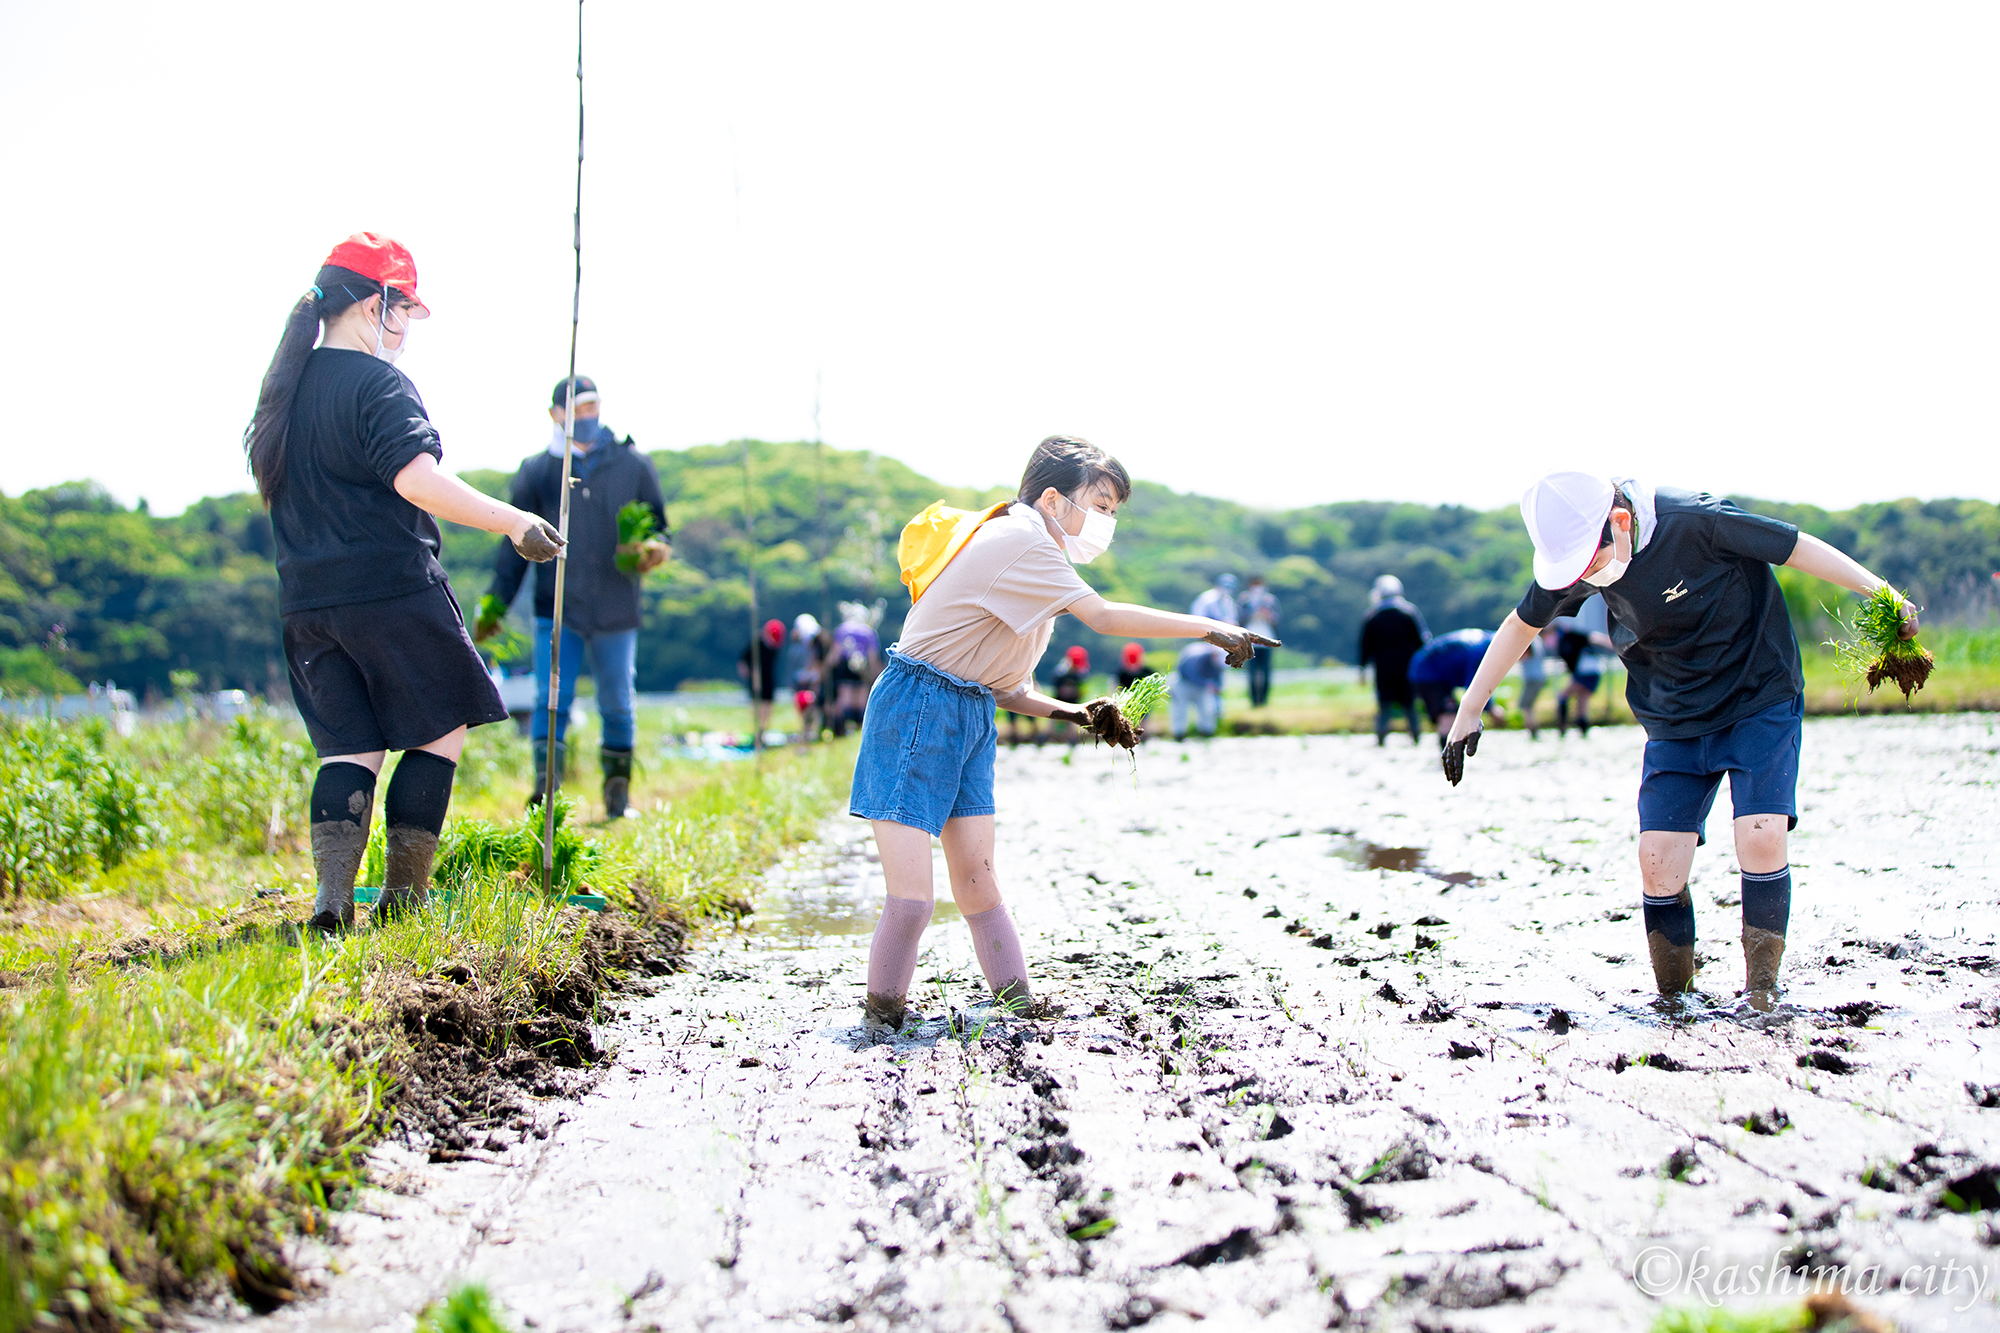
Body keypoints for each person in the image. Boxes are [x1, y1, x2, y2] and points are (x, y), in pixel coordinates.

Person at [1438, 472, 1919, 1009]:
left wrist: (1883, 592)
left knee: (1760, 834)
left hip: (1757, 695)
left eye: (1590, 566)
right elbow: (1519, 626)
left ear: (1620, 524)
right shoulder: (1581, 560)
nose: (1586, 579)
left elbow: (1796, 548)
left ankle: (1762, 992)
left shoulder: (1699, 521)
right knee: (1658, 859)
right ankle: (1675, 1000)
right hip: (1672, 715)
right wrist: (1468, 712)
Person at [853, 435, 1276, 1031]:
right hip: (917, 706)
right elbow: (1103, 618)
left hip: (969, 713)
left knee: (978, 879)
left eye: (1113, 512)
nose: (1106, 521)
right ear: (1053, 500)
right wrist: (1209, 627)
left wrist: (1078, 715)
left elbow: (1002, 687)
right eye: (1099, 505)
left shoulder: (1039, 562)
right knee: (914, 896)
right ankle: (882, 1017)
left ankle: (1017, 1001)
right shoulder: (1022, 538)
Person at [241, 233, 565, 933]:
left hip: (306, 604)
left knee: (349, 748)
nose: (403, 336)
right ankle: (404, 902)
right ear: (372, 303)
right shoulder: (377, 384)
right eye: (401, 313)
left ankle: (331, 907)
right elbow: (415, 480)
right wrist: (513, 521)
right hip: (390, 587)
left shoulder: (284, 395)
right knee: (440, 727)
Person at [481, 375, 670, 819]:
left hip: (617, 609)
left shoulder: (633, 465)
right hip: (557, 607)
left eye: (592, 407)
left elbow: (661, 526)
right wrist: (496, 605)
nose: (587, 417)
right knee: (553, 701)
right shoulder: (538, 472)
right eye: (577, 410)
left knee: (618, 702)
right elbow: (513, 551)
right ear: (556, 415)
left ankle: (617, 799)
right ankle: (547, 798)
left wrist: (653, 549)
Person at [1358, 575, 1429, 746]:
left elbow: (1365, 647)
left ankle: (1381, 740)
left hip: (1384, 670)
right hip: (1408, 668)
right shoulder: (1409, 612)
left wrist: (1362, 670)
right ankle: (1416, 738)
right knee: (1410, 705)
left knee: (1384, 706)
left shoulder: (1372, 616)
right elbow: (1423, 642)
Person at [1407, 628, 1507, 744]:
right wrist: (1490, 708)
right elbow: (1475, 684)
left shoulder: (1488, 641)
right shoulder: (1483, 651)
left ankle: (1450, 755)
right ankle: (1448, 758)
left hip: (1438, 674)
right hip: (1427, 673)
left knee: (1450, 713)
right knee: (1448, 714)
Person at [1553, 593, 1615, 736]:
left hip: (1587, 671)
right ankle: (1583, 731)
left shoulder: (1571, 636)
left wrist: (1614, 645)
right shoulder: (1561, 641)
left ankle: (1562, 728)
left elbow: (1594, 638)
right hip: (1588, 671)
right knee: (1582, 704)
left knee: (1563, 696)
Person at [828, 601, 883, 737]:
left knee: (845, 696)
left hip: (845, 665)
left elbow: (835, 653)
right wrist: (877, 673)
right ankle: (859, 729)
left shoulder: (842, 629)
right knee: (861, 698)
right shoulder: (868, 631)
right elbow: (872, 656)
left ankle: (841, 728)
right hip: (862, 667)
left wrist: (828, 668)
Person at [1169, 640, 1226, 739]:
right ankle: (1179, 734)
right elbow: (1191, 674)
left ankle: (1207, 732)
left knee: (1207, 709)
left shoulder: (1218, 664)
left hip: (1202, 686)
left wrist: (1217, 688)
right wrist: (1207, 684)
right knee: (1180, 710)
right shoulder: (1197, 657)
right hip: (1183, 683)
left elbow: (1218, 679)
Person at [785, 613, 827, 739]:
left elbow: (816, 662)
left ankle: (809, 730)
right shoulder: (817, 639)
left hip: (813, 682)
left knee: (812, 707)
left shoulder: (815, 642)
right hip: (808, 680)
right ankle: (808, 730)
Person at [1240, 575, 1280, 707]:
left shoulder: (1270, 600)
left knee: (1266, 672)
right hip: (1250, 640)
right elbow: (1240, 618)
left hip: (1266, 639)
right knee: (1252, 672)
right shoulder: (1245, 600)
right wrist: (1253, 614)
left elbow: (1277, 619)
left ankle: (1264, 700)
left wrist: (1268, 615)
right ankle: (1253, 701)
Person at [740, 618, 784, 734]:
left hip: (768, 679)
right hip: (756, 679)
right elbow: (743, 660)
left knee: (768, 704)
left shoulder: (775, 646)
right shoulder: (756, 643)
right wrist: (750, 674)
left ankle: (764, 729)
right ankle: (757, 729)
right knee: (756, 704)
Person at [1517, 628, 1558, 739]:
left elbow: (1524, 655)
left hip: (1533, 677)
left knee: (1525, 705)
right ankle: (1532, 730)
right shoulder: (1537, 639)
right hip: (1537, 677)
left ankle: (1533, 730)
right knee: (1528, 706)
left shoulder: (1530, 640)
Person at [1050, 644, 1091, 744]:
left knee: (1074, 720)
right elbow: (1055, 683)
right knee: (1054, 718)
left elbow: (1082, 686)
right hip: (1060, 699)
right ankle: (1053, 737)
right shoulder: (1061, 671)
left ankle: (1072, 738)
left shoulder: (1081, 672)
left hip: (1074, 700)